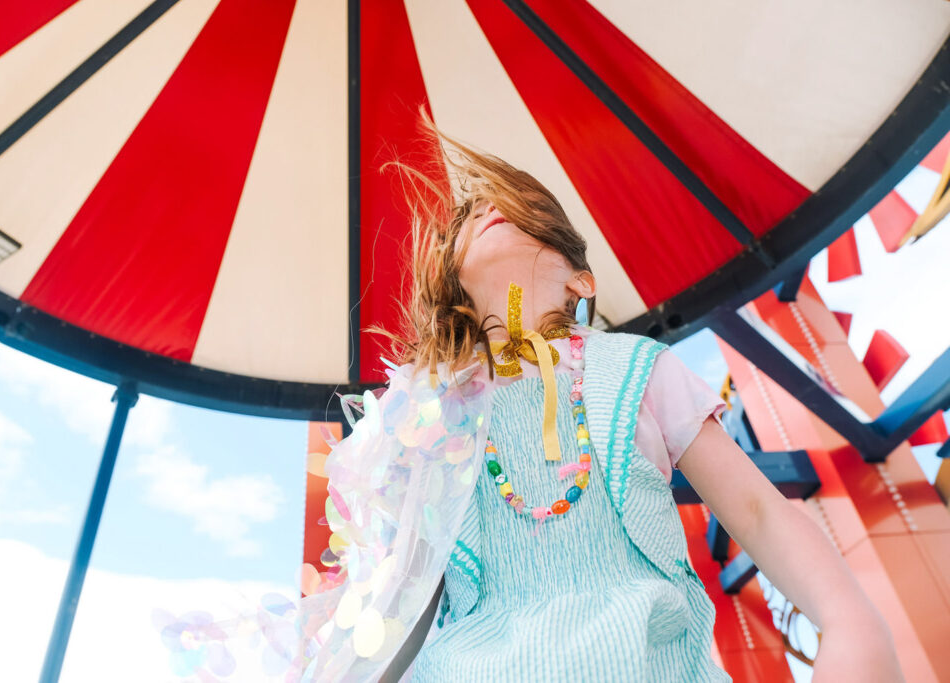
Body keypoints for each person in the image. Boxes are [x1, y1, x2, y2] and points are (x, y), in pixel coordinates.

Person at [290, 116, 903, 682]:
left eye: (523, 211)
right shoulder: (434, 410)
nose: (488, 211)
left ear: (580, 280)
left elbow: (758, 511)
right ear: (453, 280)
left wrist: (848, 618)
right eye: (471, 216)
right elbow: (405, 593)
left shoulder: (637, 367)